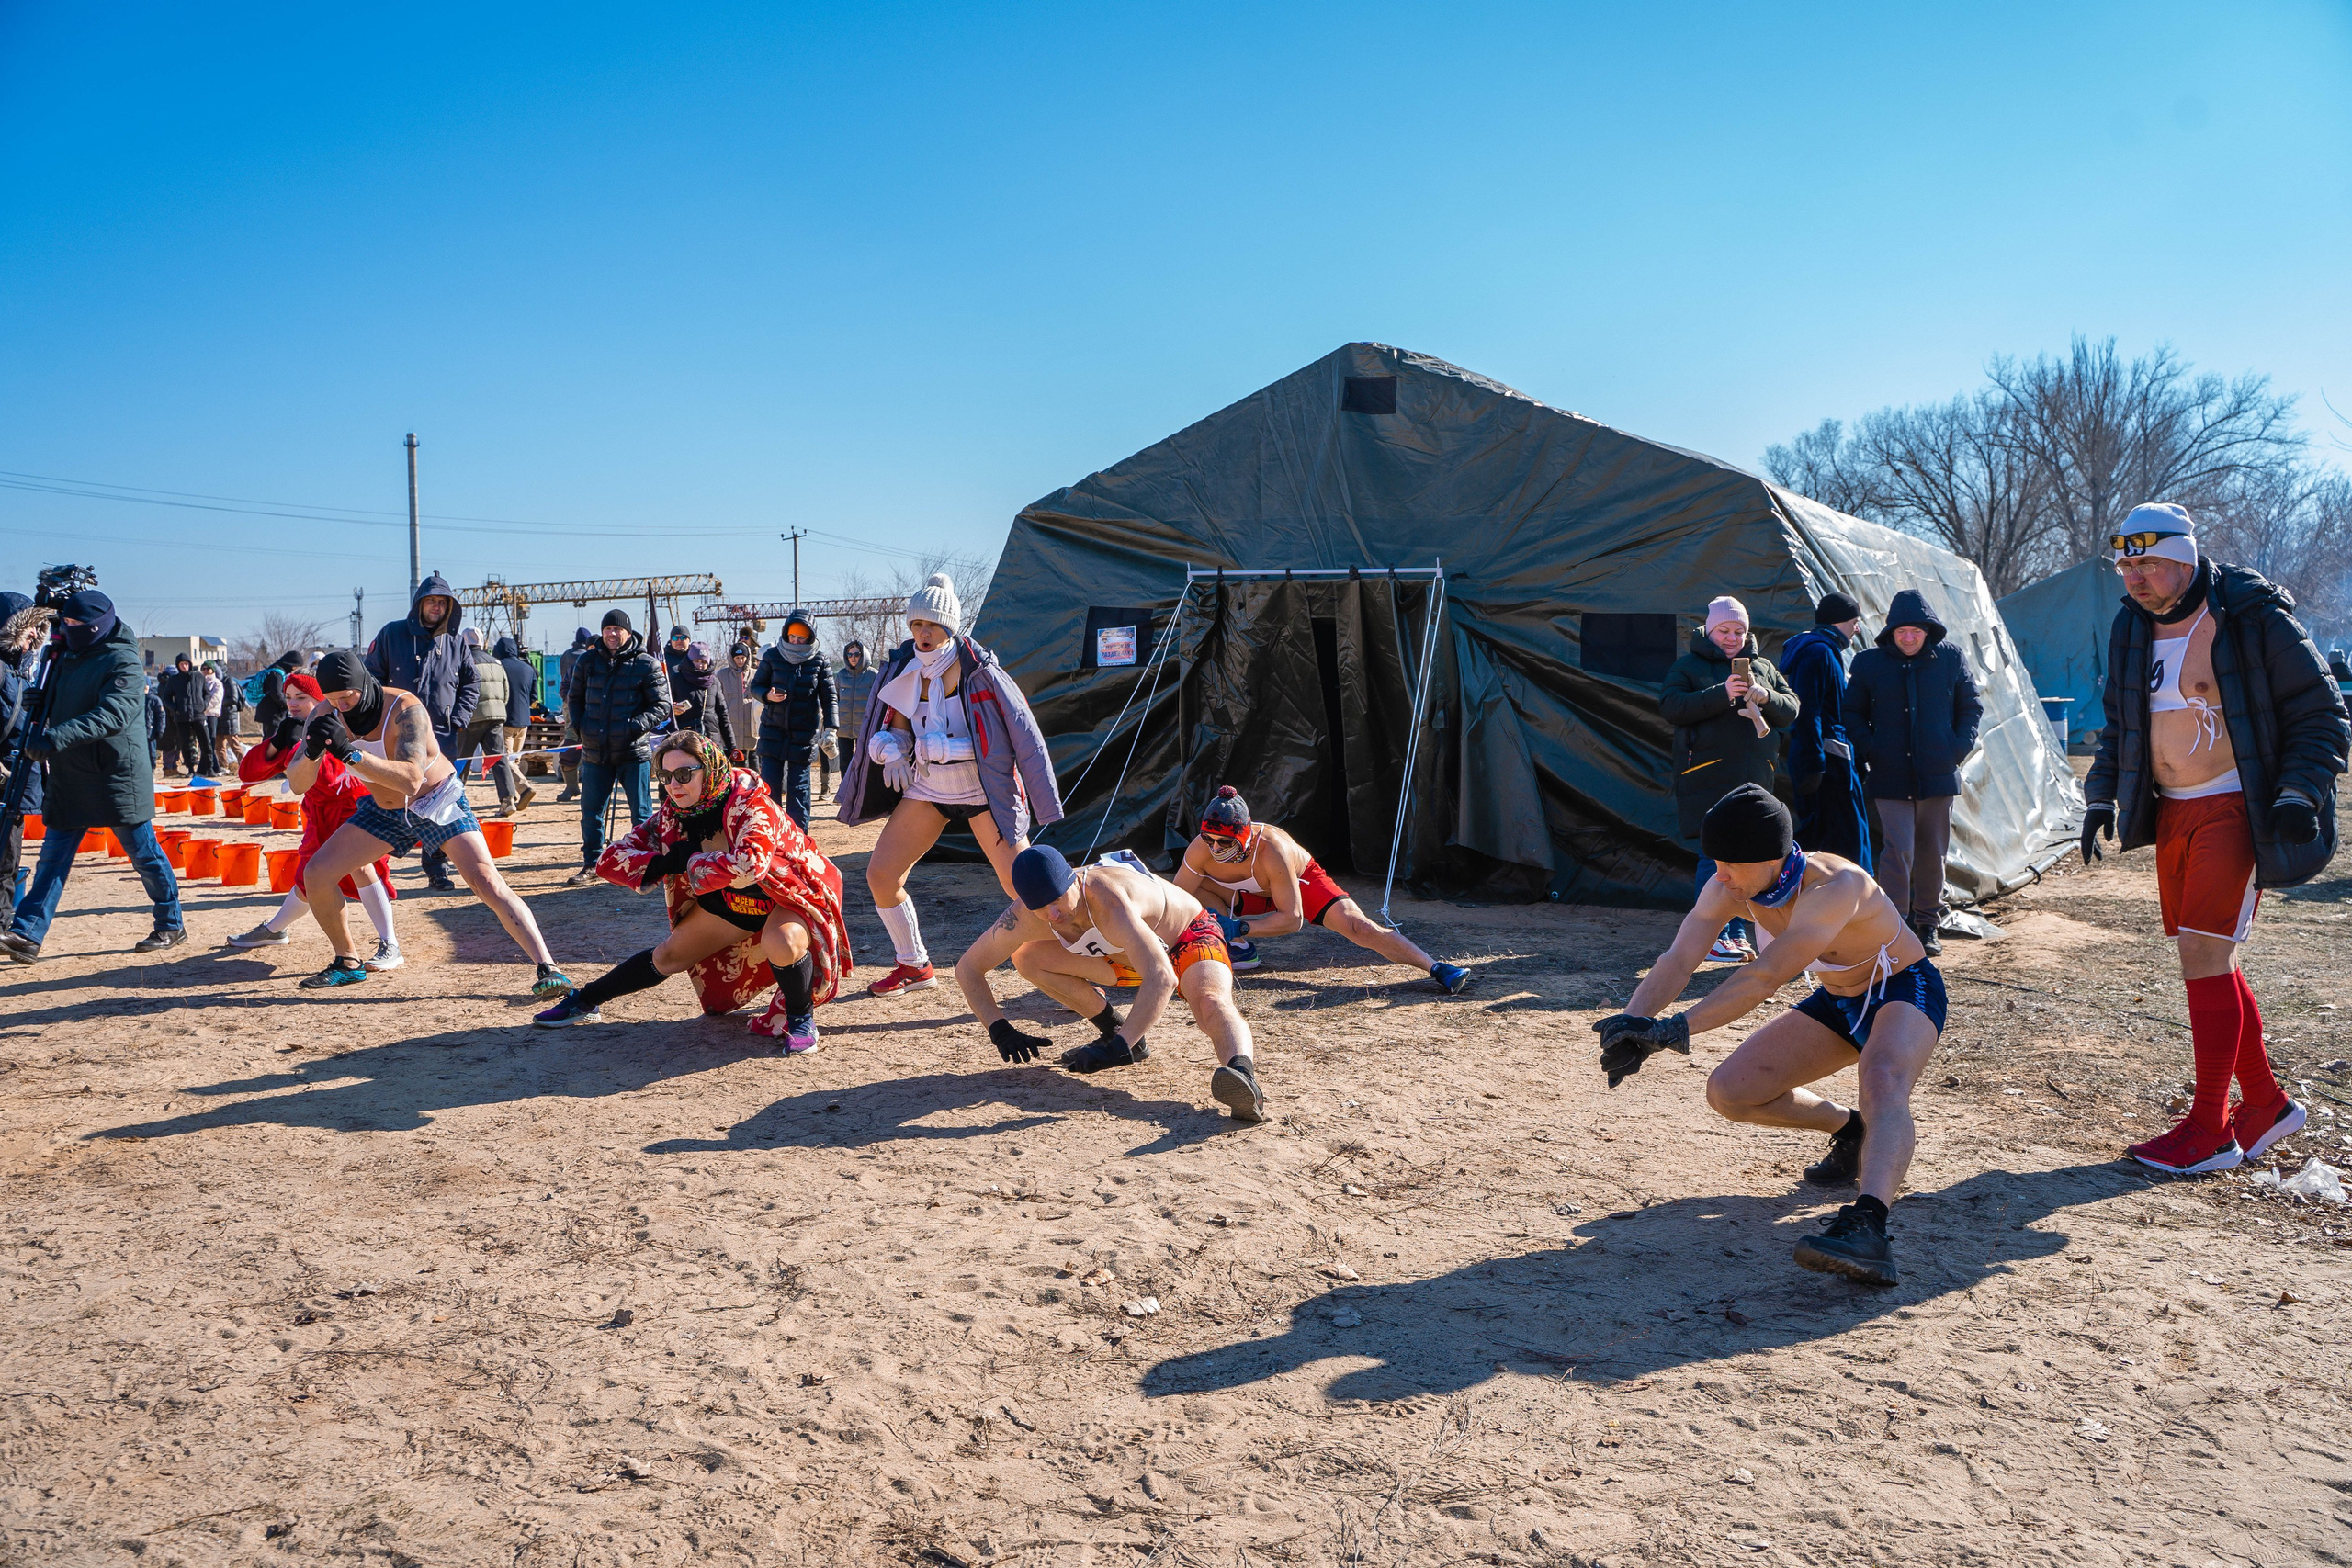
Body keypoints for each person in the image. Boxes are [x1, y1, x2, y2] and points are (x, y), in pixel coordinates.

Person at [2083, 503, 2349, 1176]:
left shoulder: (2251, 615)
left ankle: (2211, 1129)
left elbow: (2322, 712)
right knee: (2210, 958)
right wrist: (2099, 794)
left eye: (2148, 564)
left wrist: (2299, 792)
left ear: (2184, 558)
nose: (2135, 578)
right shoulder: (2131, 625)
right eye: (2126, 566)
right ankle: (2265, 1104)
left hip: (2236, 804)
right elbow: (2120, 722)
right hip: (2172, 811)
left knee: (2204, 953)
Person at [1593, 784, 1939, 1287]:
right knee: (1730, 1092)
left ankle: (1869, 1225)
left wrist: (1673, 1030)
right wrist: (1633, 1022)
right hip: (1838, 1000)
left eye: (1731, 864)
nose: (1720, 875)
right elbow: (1679, 959)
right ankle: (1850, 1130)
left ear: (1772, 857)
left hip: (1902, 988)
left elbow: (1764, 977)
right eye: (1716, 862)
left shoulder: (1834, 885)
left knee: (1883, 1078)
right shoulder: (1730, 888)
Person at [533, 732, 853, 1049]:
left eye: (684, 774)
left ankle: (800, 1019)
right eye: (665, 776)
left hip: (790, 894)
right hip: (736, 901)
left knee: (781, 941)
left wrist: (691, 862)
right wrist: (662, 863)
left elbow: (750, 864)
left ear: (709, 769)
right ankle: (586, 1000)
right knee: (669, 956)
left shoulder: (750, 801)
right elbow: (609, 861)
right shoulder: (675, 813)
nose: (674, 785)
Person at [294, 650, 570, 995]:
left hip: (436, 800)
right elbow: (298, 783)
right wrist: (311, 753)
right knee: (317, 873)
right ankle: (347, 962)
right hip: (385, 809)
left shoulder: (404, 708)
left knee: (485, 880)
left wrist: (351, 753)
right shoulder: (324, 713)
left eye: (346, 697)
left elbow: (411, 780)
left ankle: (548, 968)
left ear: (363, 684)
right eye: (333, 699)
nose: (341, 706)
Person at [838, 574, 1063, 996]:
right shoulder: (906, 669)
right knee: (881, 874)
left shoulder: (982, 672)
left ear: (950, 627)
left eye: (932, 625)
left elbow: (1013, 737)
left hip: (985, 793)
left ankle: (1070, 964)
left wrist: (950, 746)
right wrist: (890, 748)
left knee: (1027, 887)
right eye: (916, 624)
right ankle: (913, 965)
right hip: (929, 790)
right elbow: (900, 728)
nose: (923, 633)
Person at [955, 844, 1266, 1121]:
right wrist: (999, 1029)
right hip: (1126, 956)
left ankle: (1242, 1077)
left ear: (1074, 880)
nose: (1054, 914)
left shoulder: (1108, 900)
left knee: (1209, 1000)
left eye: (1058, 899)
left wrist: (1119, 1049)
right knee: (1026, 957)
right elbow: (968, 968)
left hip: (1185, 937)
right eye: (1041, 908)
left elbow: (1162, 977)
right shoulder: (1025, 916)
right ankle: (1114, 1030)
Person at [0, 590, 186, 963]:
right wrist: (41, 700)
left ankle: (170, 922)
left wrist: (55, 737)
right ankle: (27, 934)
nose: (68, 629)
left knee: (144, 854)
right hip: (71, 774)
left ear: (97, 625)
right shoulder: (66, 654)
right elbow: (68, 697)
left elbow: (113, 714)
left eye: (76, 624)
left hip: (116, 774)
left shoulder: (122, 659)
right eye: (65, 623)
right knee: (52, 859)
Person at [1174, 785, 1470, 992]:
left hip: (1298, 884)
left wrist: (1239, 927)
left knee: (1359, 927)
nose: (1215, 848)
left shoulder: (1271, 850)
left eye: (1224, 842)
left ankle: (1436, 967)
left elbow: (1293, 919)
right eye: (1209, 839)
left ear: (1245, 837)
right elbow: (1172, 902)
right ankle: (1239, 950)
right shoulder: (1199, 849)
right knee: (1190, 893)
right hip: (1249, 894)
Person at [227, 672, 401, 969]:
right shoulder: (294, 729)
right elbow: (248, 773)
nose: (292, 704)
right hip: (318, 817)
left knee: (362, 868)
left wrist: (305, 749)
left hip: (354, 809)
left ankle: (390, 944)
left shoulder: (344, 723)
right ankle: (275, 929)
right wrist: (279, 741)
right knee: (310, 877)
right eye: (288, 697)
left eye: (301, 697)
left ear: (322, 699)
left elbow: (331, 781)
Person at [1659, 596, 1799, 964]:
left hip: (1755, 781)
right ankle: (1711, 936)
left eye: (1739, 631)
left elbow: (1791, 709)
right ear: (1710, 630)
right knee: (1716, 855)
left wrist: (1766, 696)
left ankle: (1736, 933)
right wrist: (1721, 694)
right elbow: (1671, 706)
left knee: (1750, 859)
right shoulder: (1688, 666)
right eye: (1724, 630)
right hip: (1709, 777)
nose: (1732, 637)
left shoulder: (1763, 667)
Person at [1846, 589, 1982, 957]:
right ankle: (1894, 925)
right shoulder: (1870, 663)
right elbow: (1852, 712)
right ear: (1890, 632)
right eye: (1901, 631)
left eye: (1916, 631)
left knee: (1933, 852)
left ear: (1928, 631)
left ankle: (1928, 923)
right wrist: (1871, 747)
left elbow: (1971, 706)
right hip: (1890, 774)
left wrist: (1957, 748)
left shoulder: (1949, 658)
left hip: (1937, 772)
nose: (1908, 638)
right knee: (1899, 850)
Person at [364, 573, 479, 892]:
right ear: (419, 604)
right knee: (391, 799)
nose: (436, 607)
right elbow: (371, 680)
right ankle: (372, 868)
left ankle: (437, 869)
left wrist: (459, 718)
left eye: (442, 602)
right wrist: (379, 721)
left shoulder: (456, 642)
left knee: (438, 803)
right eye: (431, 601)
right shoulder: (392, 634)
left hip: (441, 737)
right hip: (396, 737)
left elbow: (472, 682)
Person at [562, 609, 671, 887]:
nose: (612, 634)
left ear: (627, 632)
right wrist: (581, 726)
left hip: (633, 753)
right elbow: (574, 698)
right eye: (607, 629)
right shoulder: (587, 662)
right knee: (590, 813)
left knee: (641, 815)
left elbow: (662, 705)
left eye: (617, 629)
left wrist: (634, 726)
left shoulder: (646, 664)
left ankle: (645, 866)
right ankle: (593, 863)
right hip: (595, 752)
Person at [1779, 592, 1871, 869]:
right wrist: (1814, 765)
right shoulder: (1818, 652)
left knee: (1835, 839)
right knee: (1839, 845)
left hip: (1833, 761)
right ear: (1839, 620)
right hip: (1828, 767)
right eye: (1854, 621)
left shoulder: (1825, 650)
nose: (1857, 629)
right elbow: (1808, 711)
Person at [747, 611, 835, 830]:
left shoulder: (819, 660)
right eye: (792, 636)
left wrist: (831, 728)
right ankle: (770, 835)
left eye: (801, 638)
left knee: (799, 790)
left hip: (803, 736)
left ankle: (798, 838)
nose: (795, 642)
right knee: (770, 790)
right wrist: (767, 695)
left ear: (810, 638)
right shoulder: (772, 656)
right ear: (786, 633)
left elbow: (829, 697)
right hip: (772, 733)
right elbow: (755, 687)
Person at [450, 626, 525, 820]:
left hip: (470, 718)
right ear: (482, 642)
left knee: (462, 760)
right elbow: (505, 692)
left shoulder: (461, 662)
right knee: (499, 758)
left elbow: (455, 690)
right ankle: (508, 800)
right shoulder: (497, 662)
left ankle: (453, 800)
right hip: (495, 717)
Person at [0, 591, 42, 931]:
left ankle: (2, 923)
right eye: (28, 626)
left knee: (9, 860)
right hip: (3, 775)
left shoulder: (22, 672)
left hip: (13, 780)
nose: (34, 634)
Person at [492, 635, 538, 815]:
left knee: (504, 759)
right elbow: (534, 697)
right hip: (524, 720)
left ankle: (524, 789)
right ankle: (516, 796)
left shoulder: (498, 667)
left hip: (505, 720)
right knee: (514, 761)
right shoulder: (528, 669)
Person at [672, 639, 739, 756]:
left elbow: (723, 715)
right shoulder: (676, 680)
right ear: (690, 661)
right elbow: (663, 709)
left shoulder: (714, 682)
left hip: (711, 741)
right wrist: (672, 710)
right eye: (696, 661)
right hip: (685, 741)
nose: (700, 665)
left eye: (703, 661)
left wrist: (732, 746)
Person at [556, 626, 594, 803]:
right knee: (570, 751)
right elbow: (564, 686)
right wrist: (572, 700)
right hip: (575, 716)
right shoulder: (576, 665)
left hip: (597, 720)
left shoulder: (566, 656)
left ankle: (591, 789)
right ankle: (571, 787)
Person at [715, 641, 761, 764]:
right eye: (737, 658)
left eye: (743, 657)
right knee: (734, 768)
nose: (740, 661)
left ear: (748, 657)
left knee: (753, 766)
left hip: (751, 730)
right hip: (731, 730)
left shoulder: (756, 675)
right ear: (732, 658)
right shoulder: (722, 675)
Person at [836, 638, 876, 779]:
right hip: (844, 728)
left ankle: (861, 789)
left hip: (864, 728)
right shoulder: (841, 675)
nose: (853, 658)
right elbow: (835, 699)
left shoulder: (873, 675)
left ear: (863, 655)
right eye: (850, 655)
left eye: (857, 654)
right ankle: (845, 790)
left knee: (863, 762)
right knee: (844, 763)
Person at [160, 653, 204, 777]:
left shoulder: (184, 680)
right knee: (170, 744)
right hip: (170, 719)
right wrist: (175, 709)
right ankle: (168, 768)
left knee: (178, 743)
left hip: (179, 717)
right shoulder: (167, 685)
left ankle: (173, 766)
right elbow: (167, 699)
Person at [252, 649, 305, 738]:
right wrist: (288, 704)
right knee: (272, 740)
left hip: (268, 712)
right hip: (273, 714)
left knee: (268, 739)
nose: (294, 669)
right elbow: (276, 693)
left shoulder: (273, 670)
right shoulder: (277, 673)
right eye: (295, 666)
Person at [213, 661, 246, 767]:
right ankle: (223, 766)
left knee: (234, 744)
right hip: (219, 717)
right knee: (219, 746)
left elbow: (234, 699)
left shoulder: (229, 681)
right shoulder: (215, 681)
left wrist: (217, 702)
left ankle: (244, 765)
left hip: (229, 717)